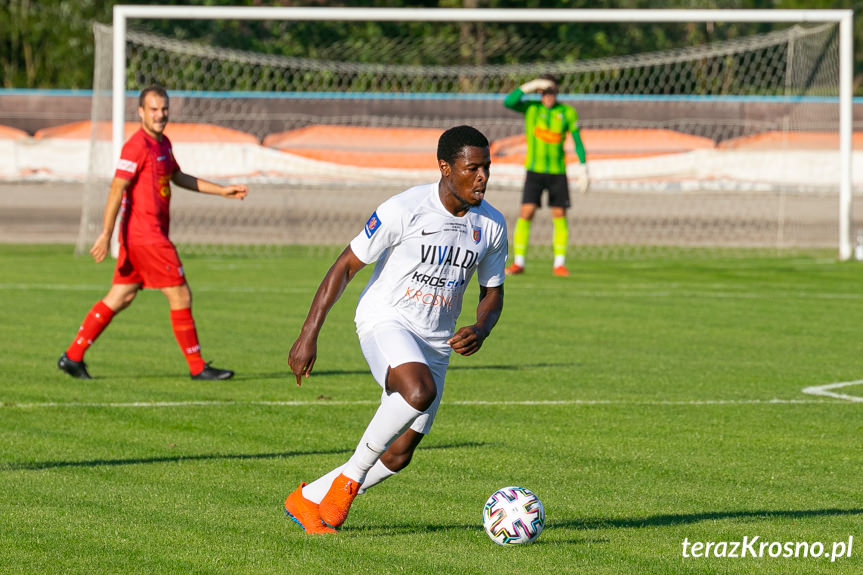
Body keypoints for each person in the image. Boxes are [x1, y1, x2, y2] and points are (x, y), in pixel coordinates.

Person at [284, 125, 506, 534]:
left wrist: (482, 326)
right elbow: (345, 266)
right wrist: (308, 333)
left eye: (487, 168)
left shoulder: (491, 225)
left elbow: (493, 292)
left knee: (402, 452)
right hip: (386, 318)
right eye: (472, 168)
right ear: (445, 167)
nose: (482, 178)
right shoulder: (404, 208)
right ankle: (349, 480)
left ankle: (307, 498)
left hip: (437, 340)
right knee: (418, 391)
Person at [57, 85, 248, 381]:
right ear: (141, 112)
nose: (160, 115)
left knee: (121, 296)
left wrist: (221, 190)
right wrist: (105, 234)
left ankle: (73, 355)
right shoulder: (137, 146)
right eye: (154, 109)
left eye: (164, 109)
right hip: (146, 237)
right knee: (180, 293)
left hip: (145, 236)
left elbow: (178, 176)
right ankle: (198, 367)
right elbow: (116, 189)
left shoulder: (163, 144)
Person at [503, 74, 589, 277]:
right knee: (527, 213)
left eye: (551, 92)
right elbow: (509, 101)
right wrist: (529, 86)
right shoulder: (532, 108)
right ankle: (519, 262)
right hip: (534, 170)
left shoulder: (566, 112)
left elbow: (577, 141)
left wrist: (583, 167)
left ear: (557, 92)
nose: (548, 96)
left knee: (559, 214)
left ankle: (559, 263)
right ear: (539, 93)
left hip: (557, 172)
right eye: (544, 92)